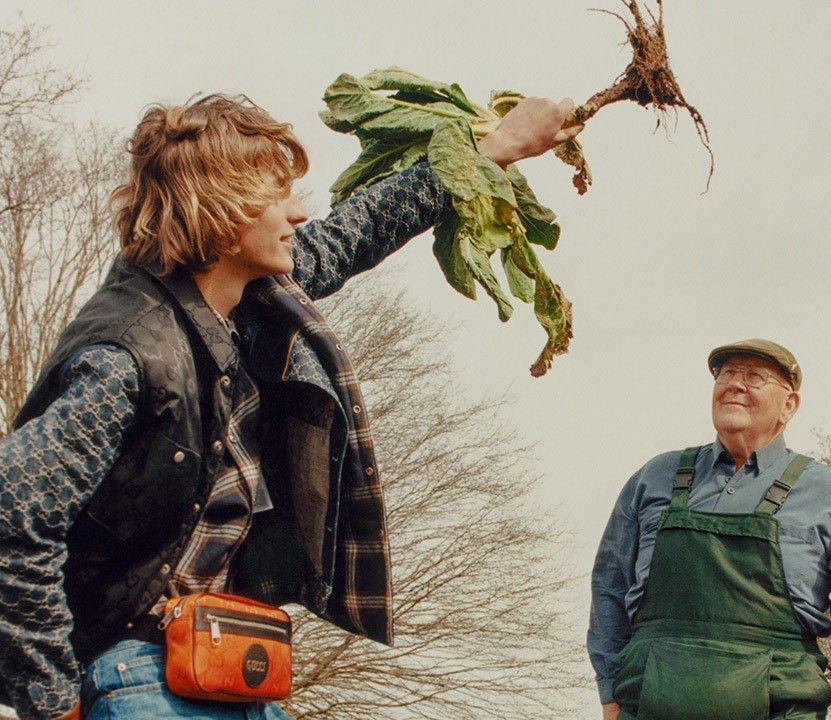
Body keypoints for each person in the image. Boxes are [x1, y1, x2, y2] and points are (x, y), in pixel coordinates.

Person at [0, 91, 580, 720]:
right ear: (221, 211)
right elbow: (11, 516)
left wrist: (493, 151)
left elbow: (351, 234)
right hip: (138, 675)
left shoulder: (241, 299)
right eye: (278, 194)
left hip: (226, 666)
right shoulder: (126, 356)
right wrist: (51, 702)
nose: (299, 214)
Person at [588, 339, 831, 720]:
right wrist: (610, 694)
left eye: (754, 376)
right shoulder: (654, 478)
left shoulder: (830, 495)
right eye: (726, 374)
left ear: (789, 405)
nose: (734, 385)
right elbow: (609, 590)